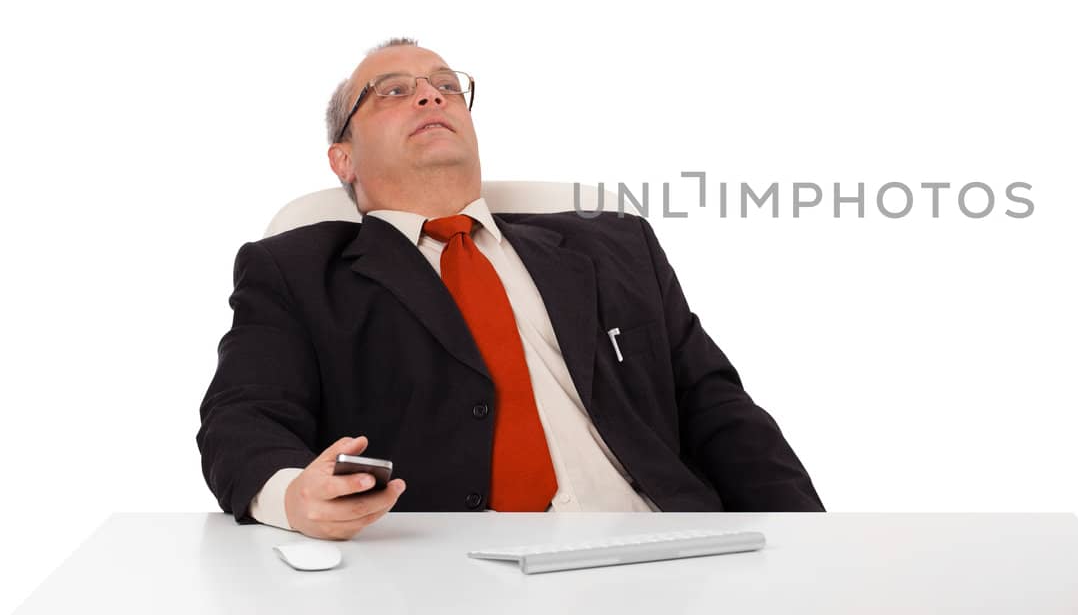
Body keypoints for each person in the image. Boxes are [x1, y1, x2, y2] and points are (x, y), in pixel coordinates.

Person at [197, 38, 823, 540]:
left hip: (661, 550)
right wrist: (293, 497)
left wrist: (815, 547)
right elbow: (242, 417)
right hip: (450, 572)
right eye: (393, 91)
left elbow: (718, 410)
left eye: (446, 86)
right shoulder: (294, 272)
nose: (429, 97)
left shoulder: (616, 247)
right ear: (343, 160)